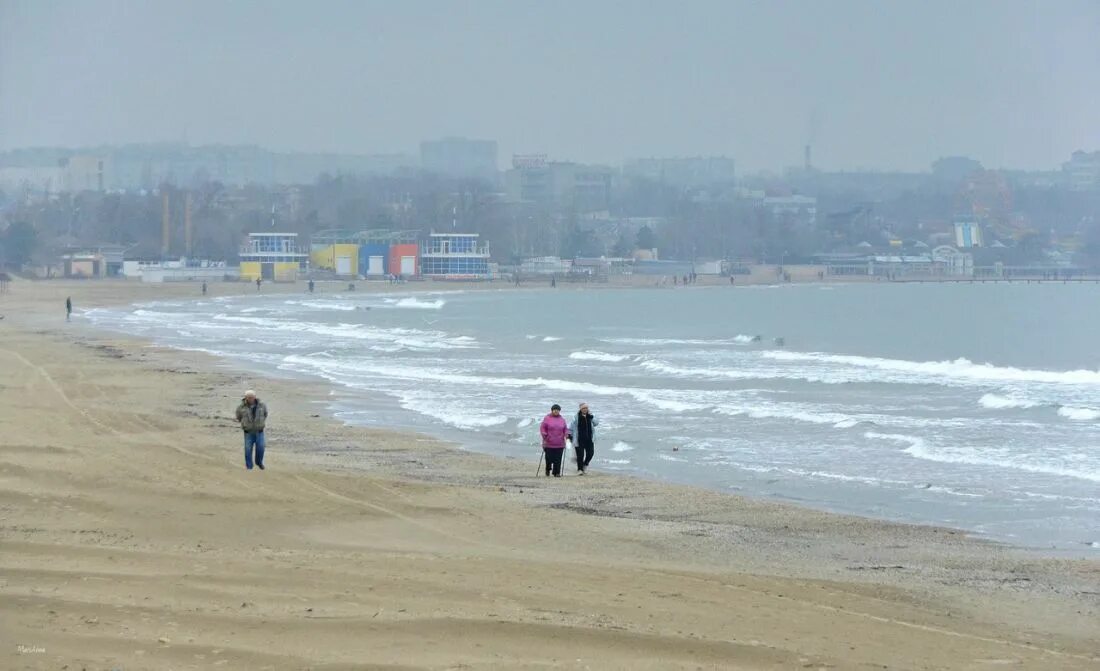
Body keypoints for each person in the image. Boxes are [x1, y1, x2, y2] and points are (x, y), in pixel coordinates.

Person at [235, 389, 268, 470]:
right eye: (249, 397)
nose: (250, 399)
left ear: (255, 397)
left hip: (259, 432)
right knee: (248, 450)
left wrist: (260, 423)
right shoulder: (240, 407)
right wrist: (245, 424)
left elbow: (265, 414)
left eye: (252, 397)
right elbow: (238, 417)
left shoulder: (262, 405)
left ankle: (259, 462)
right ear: (245, 398)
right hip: (248, 433)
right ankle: (249, 466)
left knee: (261, 448)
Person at [569, 402, 599, 474]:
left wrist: (592, 417)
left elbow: (596, 423)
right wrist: (570, 435)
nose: (585, 409)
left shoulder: (590, 415)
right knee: (580, 455)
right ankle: (580, 469)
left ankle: (585, 464)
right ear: (580, 409)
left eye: (586, 408)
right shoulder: (576, 417)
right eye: (584, 408)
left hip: (589, 439)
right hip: (579, 439)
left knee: (590, 453)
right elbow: (571, 427)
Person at [539, 403, 569, 477]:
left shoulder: (562, 420)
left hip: (560, 443)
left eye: (558, 410)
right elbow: (542, 428)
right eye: (555, 410)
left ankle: (557, 472)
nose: (556, 411)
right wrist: (544, 434)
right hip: (549, 442)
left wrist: (566, 434)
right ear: (552, 410)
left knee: (558, 459)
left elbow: (565, 429)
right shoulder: (547, 418)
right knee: (549, 458)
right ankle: (548, 469)